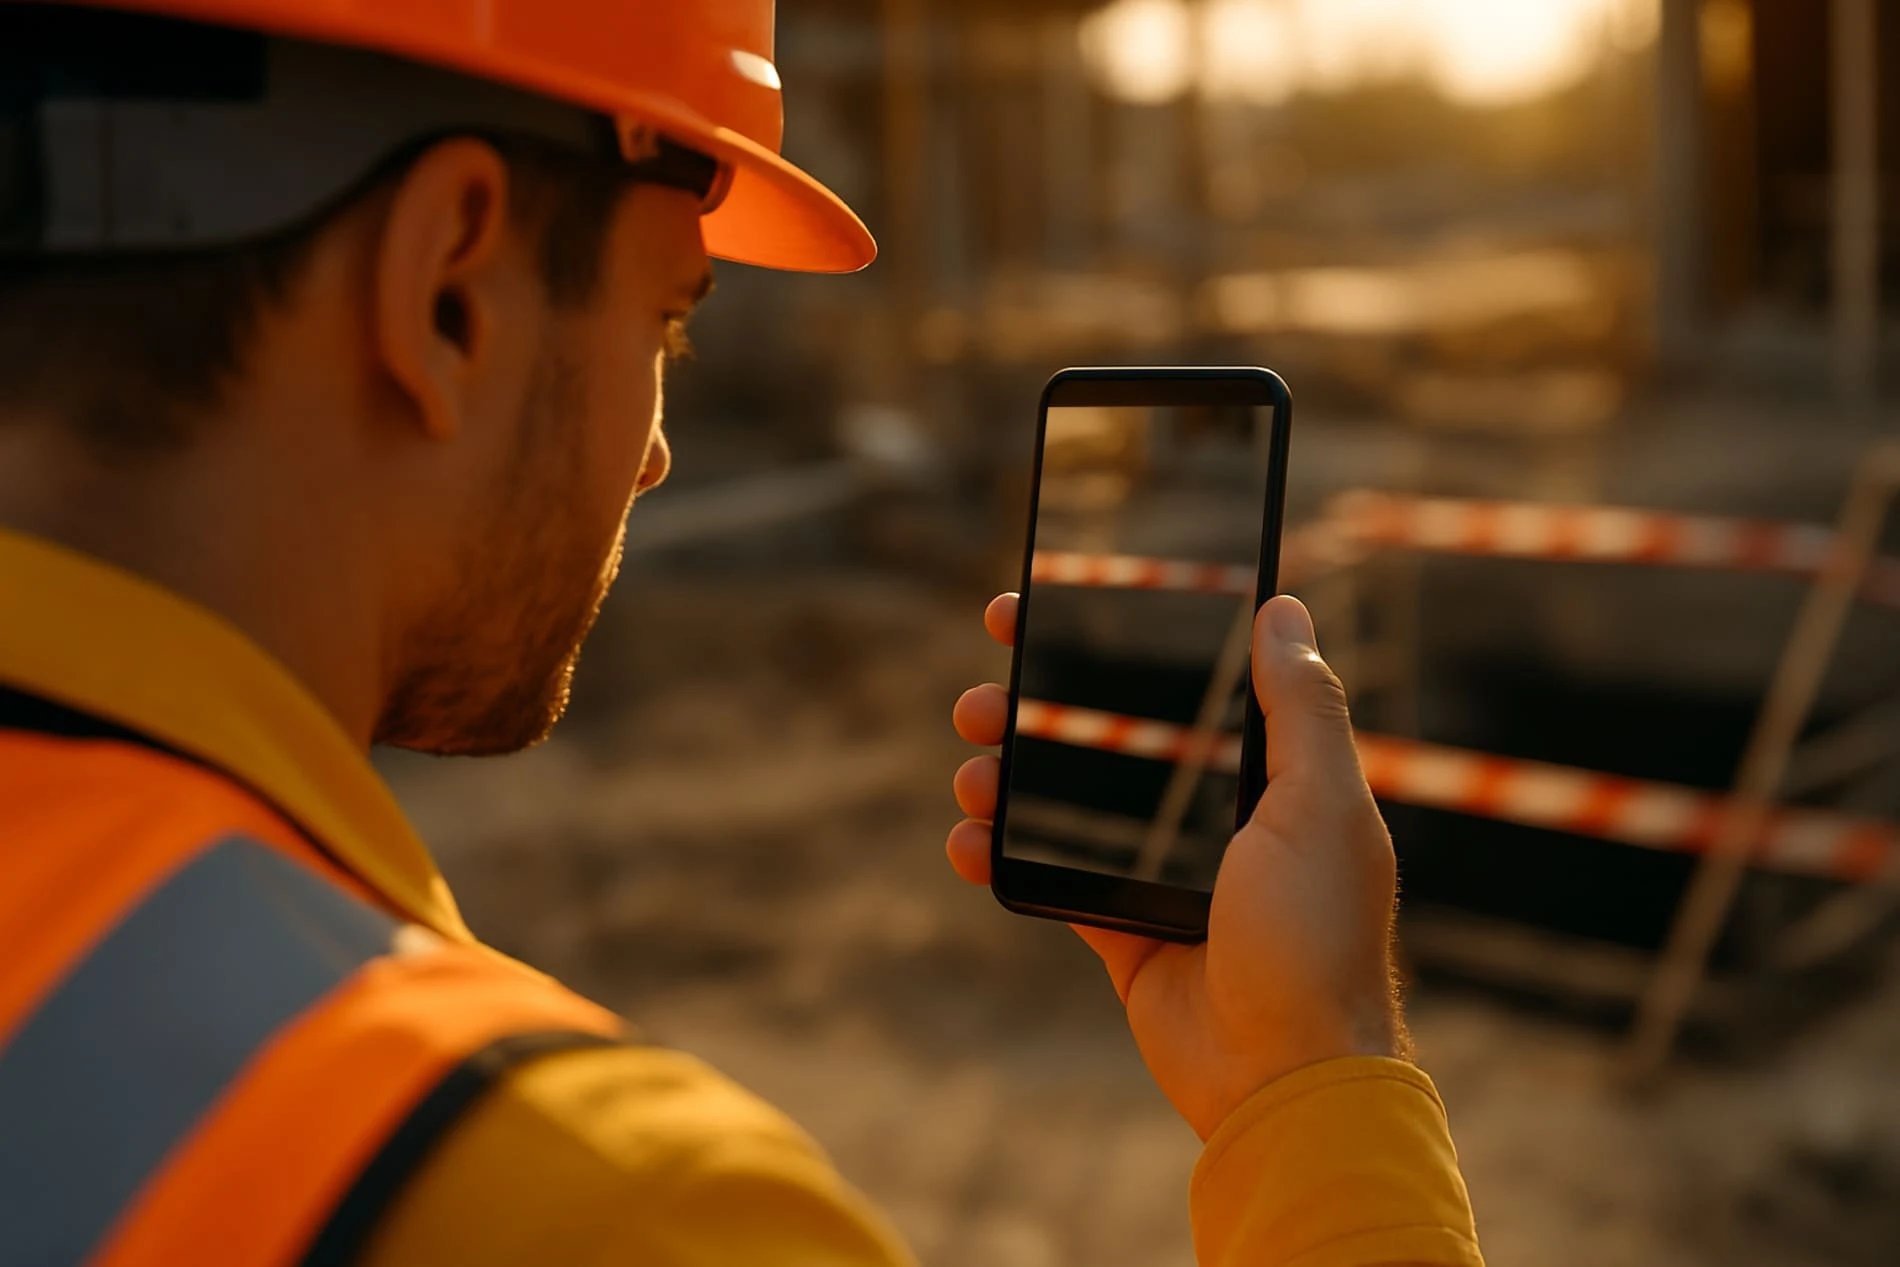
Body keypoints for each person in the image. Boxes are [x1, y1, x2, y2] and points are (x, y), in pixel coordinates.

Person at [0, 2, 1484, 1264]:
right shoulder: (604, 1208)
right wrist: (1318, 1074)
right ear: (450, 291)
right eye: (669, 318)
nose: (652, 451)